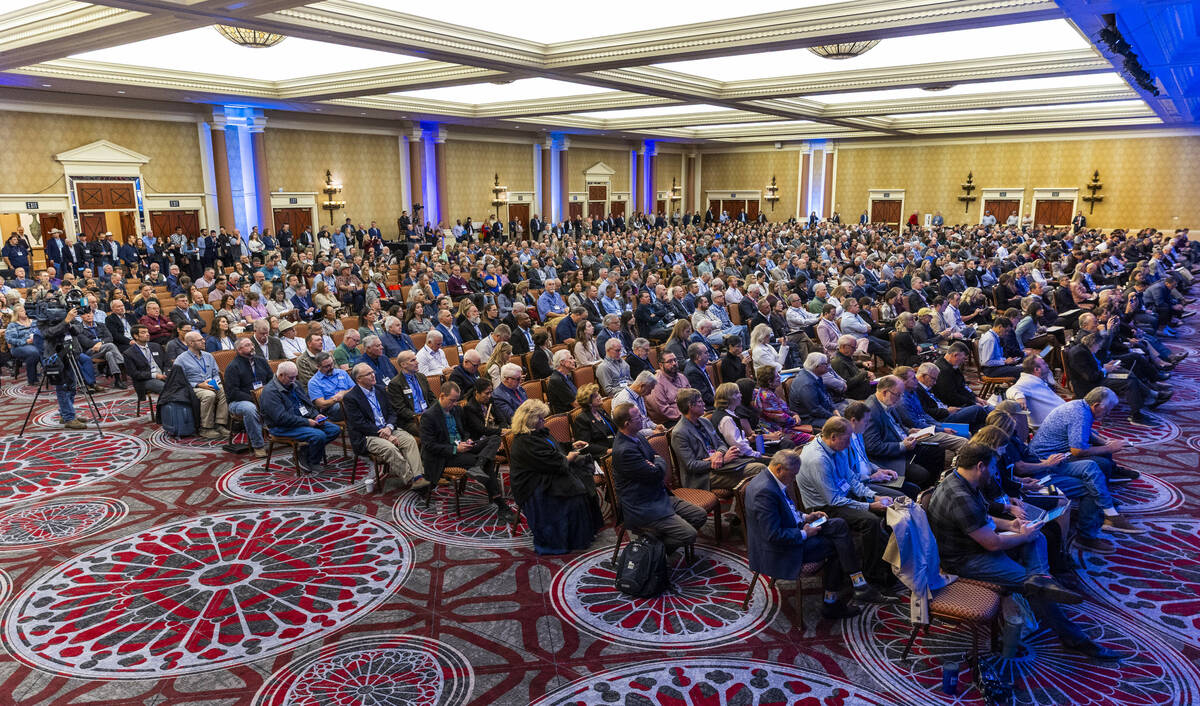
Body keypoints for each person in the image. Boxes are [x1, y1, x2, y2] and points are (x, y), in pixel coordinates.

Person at [926, 442, 1122, 660]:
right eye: (993, 467)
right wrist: (1023, 536)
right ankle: (1074, 638)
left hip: (974, 546)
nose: (994, 472)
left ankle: (1041, 577)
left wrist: (1011, 525)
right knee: (1033, 581)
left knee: (1038, 536)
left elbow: (982, 517)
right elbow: (992, 544)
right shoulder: (960, 496)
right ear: (981, 466)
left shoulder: (959, 480)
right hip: (966, 560)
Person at [744, 449, 890, 619]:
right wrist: (804, 533)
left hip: (793, 530)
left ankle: (859, 583)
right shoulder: (765, 492)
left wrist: (806, 517)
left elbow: (785, 511)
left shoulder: (771, 479)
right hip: (780, 550)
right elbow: (773, 535)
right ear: (779, 469)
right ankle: (832, 603)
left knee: (839, 525)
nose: (794, 480)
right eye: (793, 475)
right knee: (836, 546)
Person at [796, 417, 894, 583]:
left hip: (841, 497)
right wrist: (869, 506)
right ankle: (873, 576)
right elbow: (834, 500)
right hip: (822, 508)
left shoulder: (837, 448)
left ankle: (888, 568)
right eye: (847, 439)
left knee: (888, 509)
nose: (849, 445)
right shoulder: (818, 459)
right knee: (871, 521)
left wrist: (873, 496)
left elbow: (851, 479)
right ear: (833, 437)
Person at [508, 398, 603, 554]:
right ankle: (569, 540)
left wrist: (571, 446)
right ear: (531, 421)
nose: (544, 421)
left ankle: (584, 532)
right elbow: (553, 462)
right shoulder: (525, 442)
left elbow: (554, 448)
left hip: (547, 472)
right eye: (541, 418)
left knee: (582, 480)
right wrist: (568, 458)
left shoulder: (537, 433)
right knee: (574, 492)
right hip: (533, 485)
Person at [611, 402, 707, 555]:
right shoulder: (624, 451)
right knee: (689, 535)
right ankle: (652, 552)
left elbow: (657, 458)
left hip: (658, 495)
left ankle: (655, 543)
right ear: (627, 423)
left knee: (699, 515)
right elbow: (656, 473)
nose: (643, 418)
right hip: (643, 505)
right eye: (638, 417)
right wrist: (656, 463)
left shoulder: (638, 436)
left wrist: (655, 462)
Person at [419, 382, 514, 522]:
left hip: (462, 447)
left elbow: (464, 431)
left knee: (494, 438)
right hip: (445, 455)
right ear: (442, 396)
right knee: (488, 463)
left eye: (456, 400)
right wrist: (455, 448)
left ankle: (479, 465)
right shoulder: (429, 416)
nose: (454, 404)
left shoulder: (456, 410)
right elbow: (429, 446)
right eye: (452, 400)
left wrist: (467, 440)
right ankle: (501, 504)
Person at [344, 363, 430, 491]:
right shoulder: (351, 398)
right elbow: (359, 423)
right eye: (368, 374)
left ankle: (418, 477)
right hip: (368, 435)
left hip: (388, 428)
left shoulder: (381, 390)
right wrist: (385, 435)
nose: (373, 375)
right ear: (358, 379)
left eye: (372, 372)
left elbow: (392, 412)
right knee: (390, 449)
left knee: (410, 441)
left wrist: (389, 428)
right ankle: (411, 479)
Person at [1031, 386, 1138, 485]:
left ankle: (1112, 471)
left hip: (1054, 452)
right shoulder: (1080, 415)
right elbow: (1078, 451)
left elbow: (1083, 433)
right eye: (1106, 410)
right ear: (1096, 405)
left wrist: (1105, 443)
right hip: (1048, 459)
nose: (1108, 414)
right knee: (1102, 463)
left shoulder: (1080, 405)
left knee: (1101, 446)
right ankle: (1102, 481)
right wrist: (1110, 448)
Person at [671, 387, 767, 490]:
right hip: (703, 477)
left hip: (721, 466)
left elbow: (721, 444)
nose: (704, 404)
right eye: (700, 402)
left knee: (760, 466)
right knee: (759, 469)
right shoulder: (679, 433)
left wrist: (719, 453)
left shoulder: (705, 421)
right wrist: (723, 460)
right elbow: (692, 466)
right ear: (691, 406)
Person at [261, 360, 342, 474]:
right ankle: (312, 461)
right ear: (281, 375)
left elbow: (308, 404)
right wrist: (306, 422)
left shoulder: (294, 384)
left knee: (334, 430)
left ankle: (304, 452)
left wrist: (316, 415)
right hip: (281, 426)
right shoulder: (270, 392)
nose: (294, 380)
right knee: (319, 435)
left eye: (295, 377)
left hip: (301, 420)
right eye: (291, 377)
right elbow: (281, 418)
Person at [862, 375, 932, 489]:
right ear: (885, 392)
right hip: (889, 457)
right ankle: (923, 494)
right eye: (898, 395)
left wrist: (909, 431)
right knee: (922, 474)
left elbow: (897, 425)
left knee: (935, 452)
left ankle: (933, 491)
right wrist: (902, 445)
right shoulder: (871, 412)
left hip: (904, 444)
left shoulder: (887, 401)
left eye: (901, 395)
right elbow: (873, 447)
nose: (900, 399)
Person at [173, 330, 229, 439]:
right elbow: (179, 381)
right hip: (193, 387)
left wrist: (214, 382)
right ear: (191, 343)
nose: (204, 341)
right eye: (200, 340)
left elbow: (216, 373)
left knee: (224, 390)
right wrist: (199, 385)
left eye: (203, 339)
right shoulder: (181, 360)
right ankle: (205, 428)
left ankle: (220, 424)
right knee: (209, 395)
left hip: (211, 383)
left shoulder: (208, 356)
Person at [223, 336, 271, 457]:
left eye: (252, 344)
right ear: (239, 350)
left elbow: (272, 380)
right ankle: (258, 445)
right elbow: (233, 392)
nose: (252, 347)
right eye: (248, 345)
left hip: (262, 397)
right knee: (250, 409)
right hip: (239, 402)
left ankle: (285, 434)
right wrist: (254, 399)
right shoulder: (233, 367)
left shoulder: (261, 361)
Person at [1006, 354, 1068, 425]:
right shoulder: (1027, 381)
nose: (1047, 365)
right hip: (1052, 424)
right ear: (1037, 369)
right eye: (1044, 364)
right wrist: (1019, 397)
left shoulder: (1035, 378)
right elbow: (1011, 390)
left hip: (1060, 418)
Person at [386, 349, 432, 436]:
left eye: (416, 359)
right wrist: (419, 417)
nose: (417, 362)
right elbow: (400, 409)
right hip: (411, 421)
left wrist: (436, 411)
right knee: (431, 429)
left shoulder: (421, 377)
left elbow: (431, 398)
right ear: (403, 365)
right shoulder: (395, 384)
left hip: (428, 414)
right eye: (413, 360)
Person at [788, 352, 838, 428]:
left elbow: (826, 395)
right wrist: (833, 417)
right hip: (808, 418)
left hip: (820, 412)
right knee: (840, 425)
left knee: (847, 415)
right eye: (825, 364)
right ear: (816, 366)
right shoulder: (807, 384)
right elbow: (815, 409)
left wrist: (834, 409)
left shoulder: (814, 375)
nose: (827, 366)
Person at [571, 384, 617, 457]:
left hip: (616, 445)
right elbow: (585, 446)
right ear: (588, 402)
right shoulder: (582, 419)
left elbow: (615, 428)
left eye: (598, 394)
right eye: (596, 396)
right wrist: (607, 451)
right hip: (602, 453)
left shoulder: (601, 411)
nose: (600, 396)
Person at [308, 352, 354, 422]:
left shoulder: (342, 372)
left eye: (332, 364)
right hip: (332, 408)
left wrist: (343, 393)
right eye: (327, 366)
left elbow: (354, 389)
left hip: (349, 400)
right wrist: (336, 399)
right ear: (318, 366)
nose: (332, 367)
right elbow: (321, 404)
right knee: (348, 405)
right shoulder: (314, 382)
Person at [125, 324, 169, 396]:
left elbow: (167, 362)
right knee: (166, 388)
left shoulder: (156, 346)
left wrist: (165, 372)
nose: (147, 334)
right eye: (143, 332)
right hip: (146, 380)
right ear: (136, 336)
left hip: (163, 375)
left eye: (147, 332)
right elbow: (134, 374)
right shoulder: (129, 353)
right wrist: (154, 375)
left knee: (181, 383)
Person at [491, 362, 527, 428]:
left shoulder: (519, 388)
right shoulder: (498, 396)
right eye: (518, 379)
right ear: (507, 379)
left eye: (521, 378)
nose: (520, 381)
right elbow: (512, 418)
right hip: (519, 427)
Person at [545, 348, 578, 414]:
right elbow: (575, 404)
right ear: (562, 362)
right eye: (571, 358)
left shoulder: (567, 376)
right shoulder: (556, 380)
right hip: (567, 415)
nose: (574, 361)